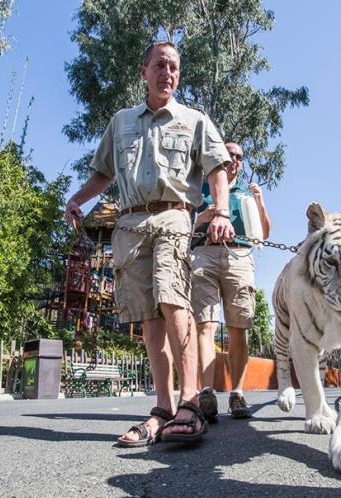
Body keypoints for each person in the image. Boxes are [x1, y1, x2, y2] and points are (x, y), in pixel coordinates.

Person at [64, 41, 234, 446]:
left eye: (174, 67)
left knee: (173, 297)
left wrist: (222, 212)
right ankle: (162, 408)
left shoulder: (194, 119)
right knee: (148, 316)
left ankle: (190, 401)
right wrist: (77, 200)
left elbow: (217, 170)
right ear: (144, 71)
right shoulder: (120, 121)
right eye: (160, 65)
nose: (168, 73)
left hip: (173, 214)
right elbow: (103, 174)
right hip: (129, 224)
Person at [190, 142, 272, 421]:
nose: (234, 160)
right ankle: (207, 392)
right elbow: (186, 226)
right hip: (203, 254)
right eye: (229, 155)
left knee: (239, 327)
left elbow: (264, 233)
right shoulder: (201, 187)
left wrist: (260, 201)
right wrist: (205, 216)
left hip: (238, 256)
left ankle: (237, 393)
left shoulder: (246, 193)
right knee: (205, 324)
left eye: (239, 157)